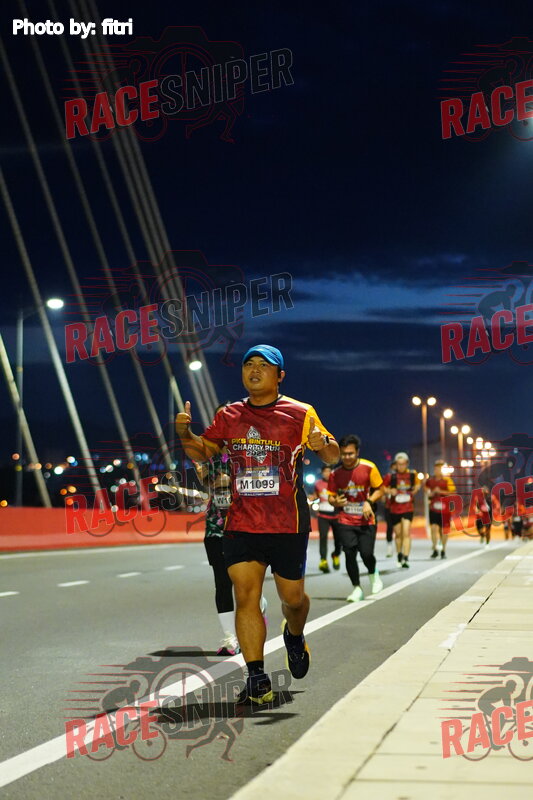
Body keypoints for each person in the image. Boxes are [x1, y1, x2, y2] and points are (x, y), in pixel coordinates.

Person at [175, 344, 339, 705]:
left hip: (287, 524)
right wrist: (186, 435)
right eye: (249, 364)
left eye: (264, 365)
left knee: (293, 600)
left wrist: (322, 443)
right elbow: (205, 451)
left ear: (280, 376)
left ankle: (294, 635)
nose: (254, 370)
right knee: (245, 596)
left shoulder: (301, 412)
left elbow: (333, 456)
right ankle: (256, 677)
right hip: (242, 522)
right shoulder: (230, 414)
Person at [193, 407, 270, 657]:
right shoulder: (209, 454)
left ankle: (258, 605)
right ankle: (229, 638)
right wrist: (206, 479)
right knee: (222, 582)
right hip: (216, 528)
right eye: (220, 420)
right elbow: (211, 485)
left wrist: (233, 481)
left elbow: (263, 484)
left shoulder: (251, 453)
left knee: (246, 583)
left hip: (246, 527)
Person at [327, 434, 385, 601]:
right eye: (343, 454)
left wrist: (369, 502)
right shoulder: (335, 473)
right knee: (349, 553)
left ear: (357, 452)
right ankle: (356, 588)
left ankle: (373, 574)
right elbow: (330, 497)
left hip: (367, 519)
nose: (347, 457)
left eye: (350, 453)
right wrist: (335, 501)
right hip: (345, 519)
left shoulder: (369, 467)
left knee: (366, 553)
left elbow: (381, 490)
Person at [383, 453, 421, 568]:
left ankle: (406, 558)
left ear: (407, 464)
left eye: (403, 464)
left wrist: (415, 489)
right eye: (399, 464)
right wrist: (390, 491)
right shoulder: (391, 476)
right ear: (396, 464)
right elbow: (382, 487)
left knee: (406, 532)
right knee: (398, 534)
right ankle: (399, 554)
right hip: (394, 509)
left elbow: (418, 484)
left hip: (408, 508)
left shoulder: (412, 475)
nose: (401, 466)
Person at [307, 465, 341, 573]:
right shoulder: (318, 484)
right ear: (322, 473)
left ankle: (336, 554)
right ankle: (323, 561)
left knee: (339, 539)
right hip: (322, 515)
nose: (327, 474)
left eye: (329, 471)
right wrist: (312, 498)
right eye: (325, 472)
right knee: (323, 538)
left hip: (336, 516)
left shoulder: (338, 483)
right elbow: (316, 495)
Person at [425, 460, 456, 559]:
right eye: (436, 468)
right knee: (433, 528)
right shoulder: (430, 481)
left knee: (443, 530)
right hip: (433, 508)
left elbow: (453, 493)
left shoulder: (448, 480)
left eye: (439, 468)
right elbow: (427, 492)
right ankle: (435, 549)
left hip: (445, 509)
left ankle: (443, 550)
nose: (437, 470)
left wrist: (441, 491)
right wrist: (432, 493)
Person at [383, 459, 397, 557]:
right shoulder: (388, 477)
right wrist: (388, 492)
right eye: (394, 466)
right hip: (389, 506)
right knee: (390, 527)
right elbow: (382, 488)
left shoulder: (405, 477)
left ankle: (400, 548)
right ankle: (389, 546)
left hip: (401, 507)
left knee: (400, 529)